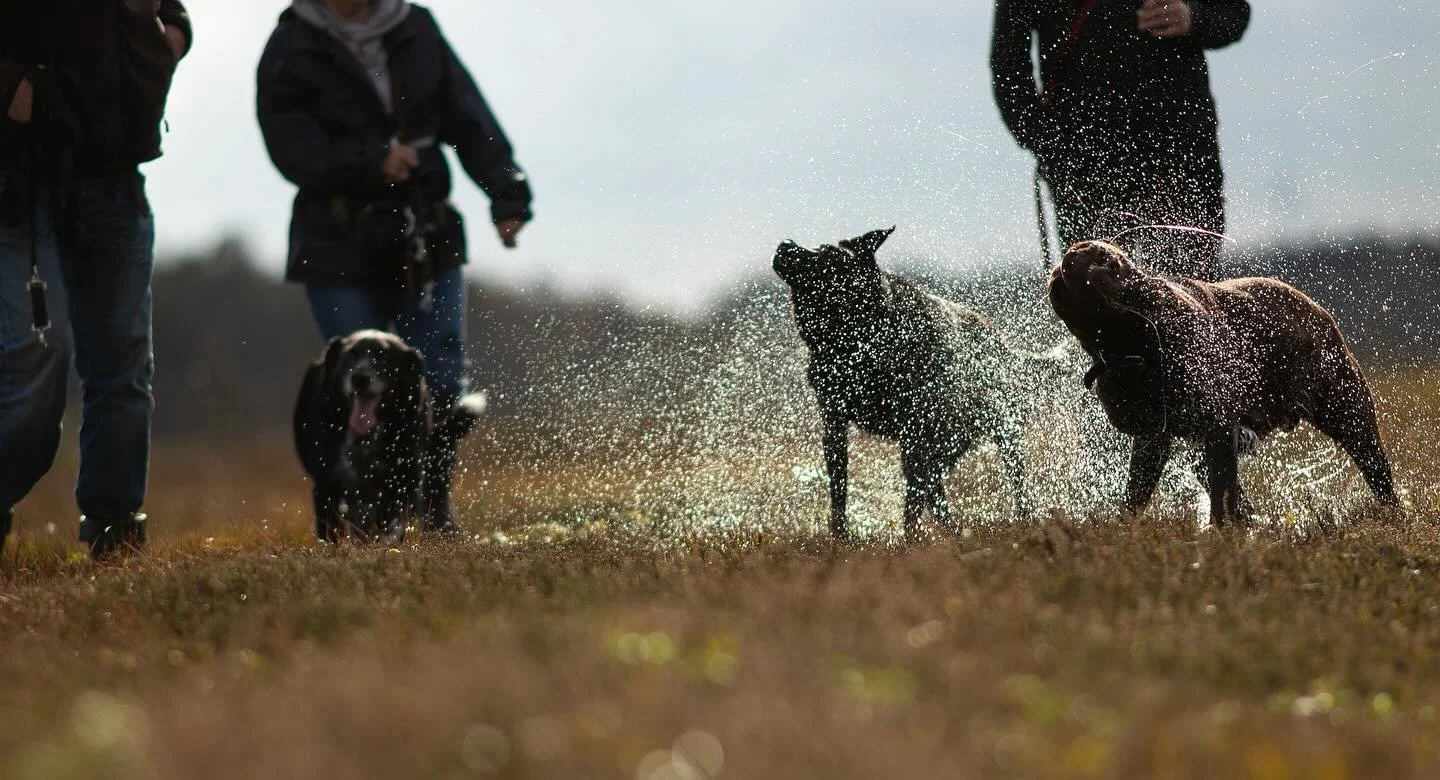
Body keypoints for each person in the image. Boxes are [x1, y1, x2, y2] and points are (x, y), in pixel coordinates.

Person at [256, 0, 532, 534]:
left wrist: (507, 193)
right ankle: (362, 508)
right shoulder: (292, 44)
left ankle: (431, 505)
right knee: (354, 382)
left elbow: (467, 113)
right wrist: (371, 159)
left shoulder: (415, 26)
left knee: (440, 377)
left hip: (426, 232)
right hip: (337, 241)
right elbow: (289, 145)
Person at [0, 2, 192, 560]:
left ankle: (116, 531)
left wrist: (169, 39)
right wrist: (9, 85)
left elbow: (170, 12)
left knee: (123, 366)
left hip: (115, 177)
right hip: (19, 183)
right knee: (34, 359)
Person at [991, 0, 1250, 280]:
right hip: (1084, 166)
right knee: (1092, 292)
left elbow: (1234, 12)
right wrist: (1047, 143)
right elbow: (1008, 66)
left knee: (1188, 291)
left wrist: (1194, 17)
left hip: (1179, 154)